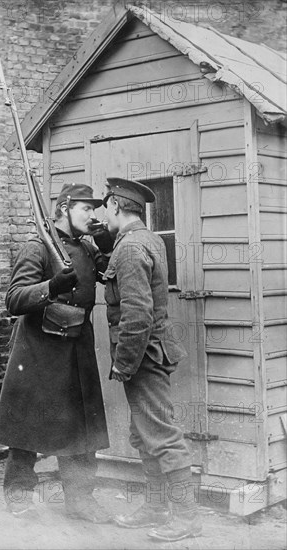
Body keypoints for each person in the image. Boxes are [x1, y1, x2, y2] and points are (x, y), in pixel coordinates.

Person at [0, 183, 114, 523]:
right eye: (86, 209)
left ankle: (80, 499)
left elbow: (110, 273)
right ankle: (19, 494)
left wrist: (107, 245)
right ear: (64, 208)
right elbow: (14, 300)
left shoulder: (87, 249)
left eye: (95, 209)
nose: (93, 215)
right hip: (39, 349)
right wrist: (51, 287)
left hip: (77, 344)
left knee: (82, 427)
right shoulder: (38, 247)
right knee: (26, 424)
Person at [102, 177, 202, 542]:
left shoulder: (129, 249)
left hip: (143, 355)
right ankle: (156, 508)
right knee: (143, 434)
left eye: (105, 206)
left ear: (115, 205)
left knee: (161, 435)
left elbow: (138, 314)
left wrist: (123, 363)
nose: (102, 213)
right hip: (154, 350)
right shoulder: (150, 238)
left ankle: (187, 518)